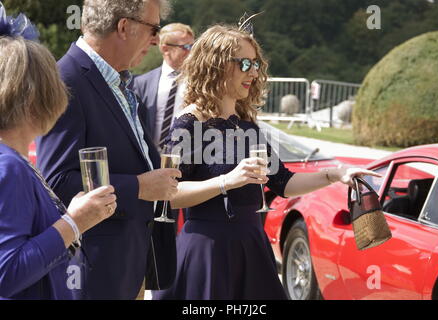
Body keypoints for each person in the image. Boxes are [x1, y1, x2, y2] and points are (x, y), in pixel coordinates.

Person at [152, 25, 381, 300]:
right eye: (246, 63)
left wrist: (336, 174)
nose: (254, 72)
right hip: (208, 250)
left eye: (256, 64)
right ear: (216, 65)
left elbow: (283, 182)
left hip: (251, 247)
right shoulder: (188, 124)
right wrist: (226, 181)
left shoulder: (247, 125)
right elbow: (169, 195)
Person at [36, 0, 180, 300]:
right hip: (93, 274)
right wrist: (139, 187)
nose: (156, 39)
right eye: (153, 29)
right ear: (124, 27)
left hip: (126, 266)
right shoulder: (68, 80)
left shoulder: (119, 82)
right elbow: (56, 184)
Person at [0, 7, 117, 300]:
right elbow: (6, 273)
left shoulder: (12, 160)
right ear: (36, 98)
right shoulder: (8, 166)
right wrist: (75, 223)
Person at [133, 23, 195, 149]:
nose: (191, 52)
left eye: (193, 47)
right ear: (165, 49)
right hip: (152, 159)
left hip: (188, 159)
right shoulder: (141, 83)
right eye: (186, 47)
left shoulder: (199, 82)